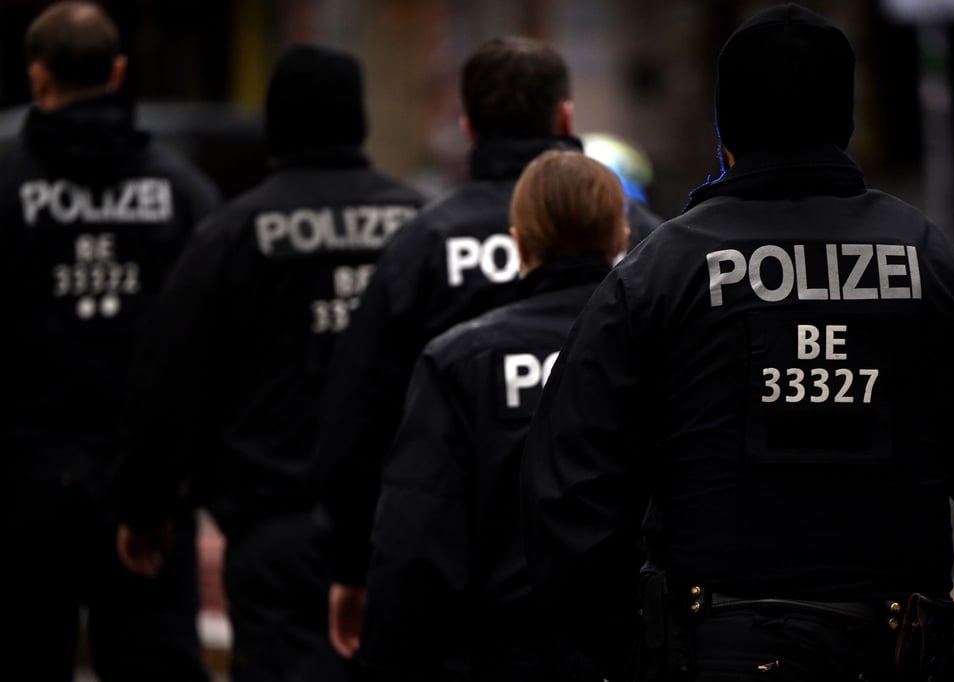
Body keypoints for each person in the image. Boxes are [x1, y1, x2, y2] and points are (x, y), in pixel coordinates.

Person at [520, 4, 954, 682]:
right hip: (900, 649)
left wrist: (636, 648)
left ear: (726, 132)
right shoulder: (935, 265)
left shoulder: (659, 272)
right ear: (843, 121)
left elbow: (567, 490)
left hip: (713, 648)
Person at [111, 44, 427, 682]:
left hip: (272, 524)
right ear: (356, 119)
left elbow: (169, 380)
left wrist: (146, 508)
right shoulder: (419, 226)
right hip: (398, 521)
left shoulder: (232, 235)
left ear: (276, 124)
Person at [309, 34, 620, 660]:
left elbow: (361, 411)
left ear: (469, 124)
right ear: (565, 116)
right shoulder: (647, 260)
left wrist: (351, 561)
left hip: (480, 603)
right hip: (623, 609)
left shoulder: (424, 244)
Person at [0, 2, 221, 681]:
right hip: (146, 497)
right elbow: (208, 345)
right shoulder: (181, 191)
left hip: (21, 490)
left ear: (38, 78)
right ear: (119, 72)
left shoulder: (4, 183)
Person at [358, 149, 624, 681]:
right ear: (621, 239)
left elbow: (415, 543)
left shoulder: (460, 361)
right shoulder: (656, 348)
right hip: (634, 649)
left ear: (518, 244)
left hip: (500, 654)